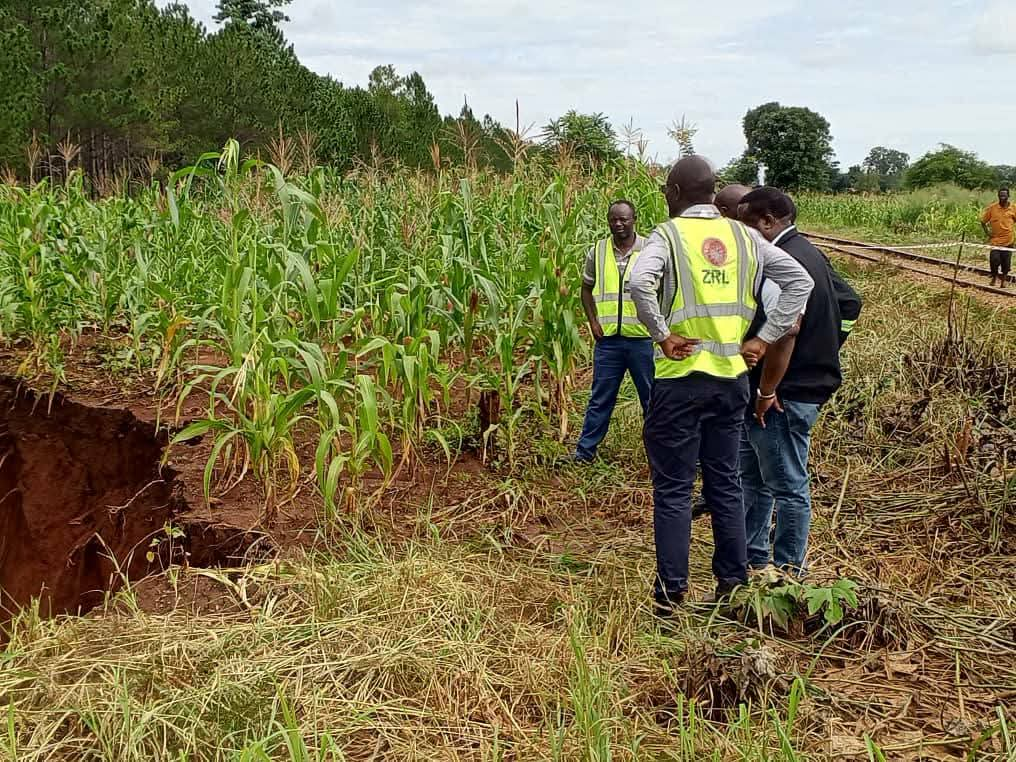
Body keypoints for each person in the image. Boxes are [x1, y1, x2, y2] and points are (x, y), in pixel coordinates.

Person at [628, 157, 814, 612]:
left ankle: (671, 593)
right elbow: (799, 281)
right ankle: (731, 586)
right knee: (725, 483)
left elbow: (638, 281)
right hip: (731, 382)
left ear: (673, 193)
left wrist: (662, 334)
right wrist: (764, 338)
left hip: (680, 379)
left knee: (673, 489)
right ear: (712, 193)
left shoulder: (667, 236)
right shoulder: (744, 236)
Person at [736, 187, 850, 575]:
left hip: (784, 394)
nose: (741, 234)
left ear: (768, 222)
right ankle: (752, 556)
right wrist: (831, 344)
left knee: (787, 485)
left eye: (746, 225)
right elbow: (849, 303)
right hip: (803, 384)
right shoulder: (810, 252)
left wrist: (767, 390)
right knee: (756, 477)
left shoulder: (781, 262)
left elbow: (786, 331)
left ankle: (787, 573)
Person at [574, 200, 654, 462]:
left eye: (624, 219)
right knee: (600, 399)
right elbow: (586, 288)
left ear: (634, 220)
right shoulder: (597, 251)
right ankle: (584, 454)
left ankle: (660, 453)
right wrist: (593, 321)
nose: (618, 224)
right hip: (608, 341)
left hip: (643, 340)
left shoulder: (650, 250)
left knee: (652, 399)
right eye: (613, 220)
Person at [980, 187, 1015, 288]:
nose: (1002, 197)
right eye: (1000, 195)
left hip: (1009, 241)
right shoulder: (992, 208)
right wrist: (988, 233)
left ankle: (1003, 281)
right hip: (995, 241)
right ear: (998, 196)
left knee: (1006, 263)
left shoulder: (1013, 208)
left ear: (1008, 196)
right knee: (994, 261)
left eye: (1004, 195)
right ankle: (994, 277)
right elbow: (983, 222)